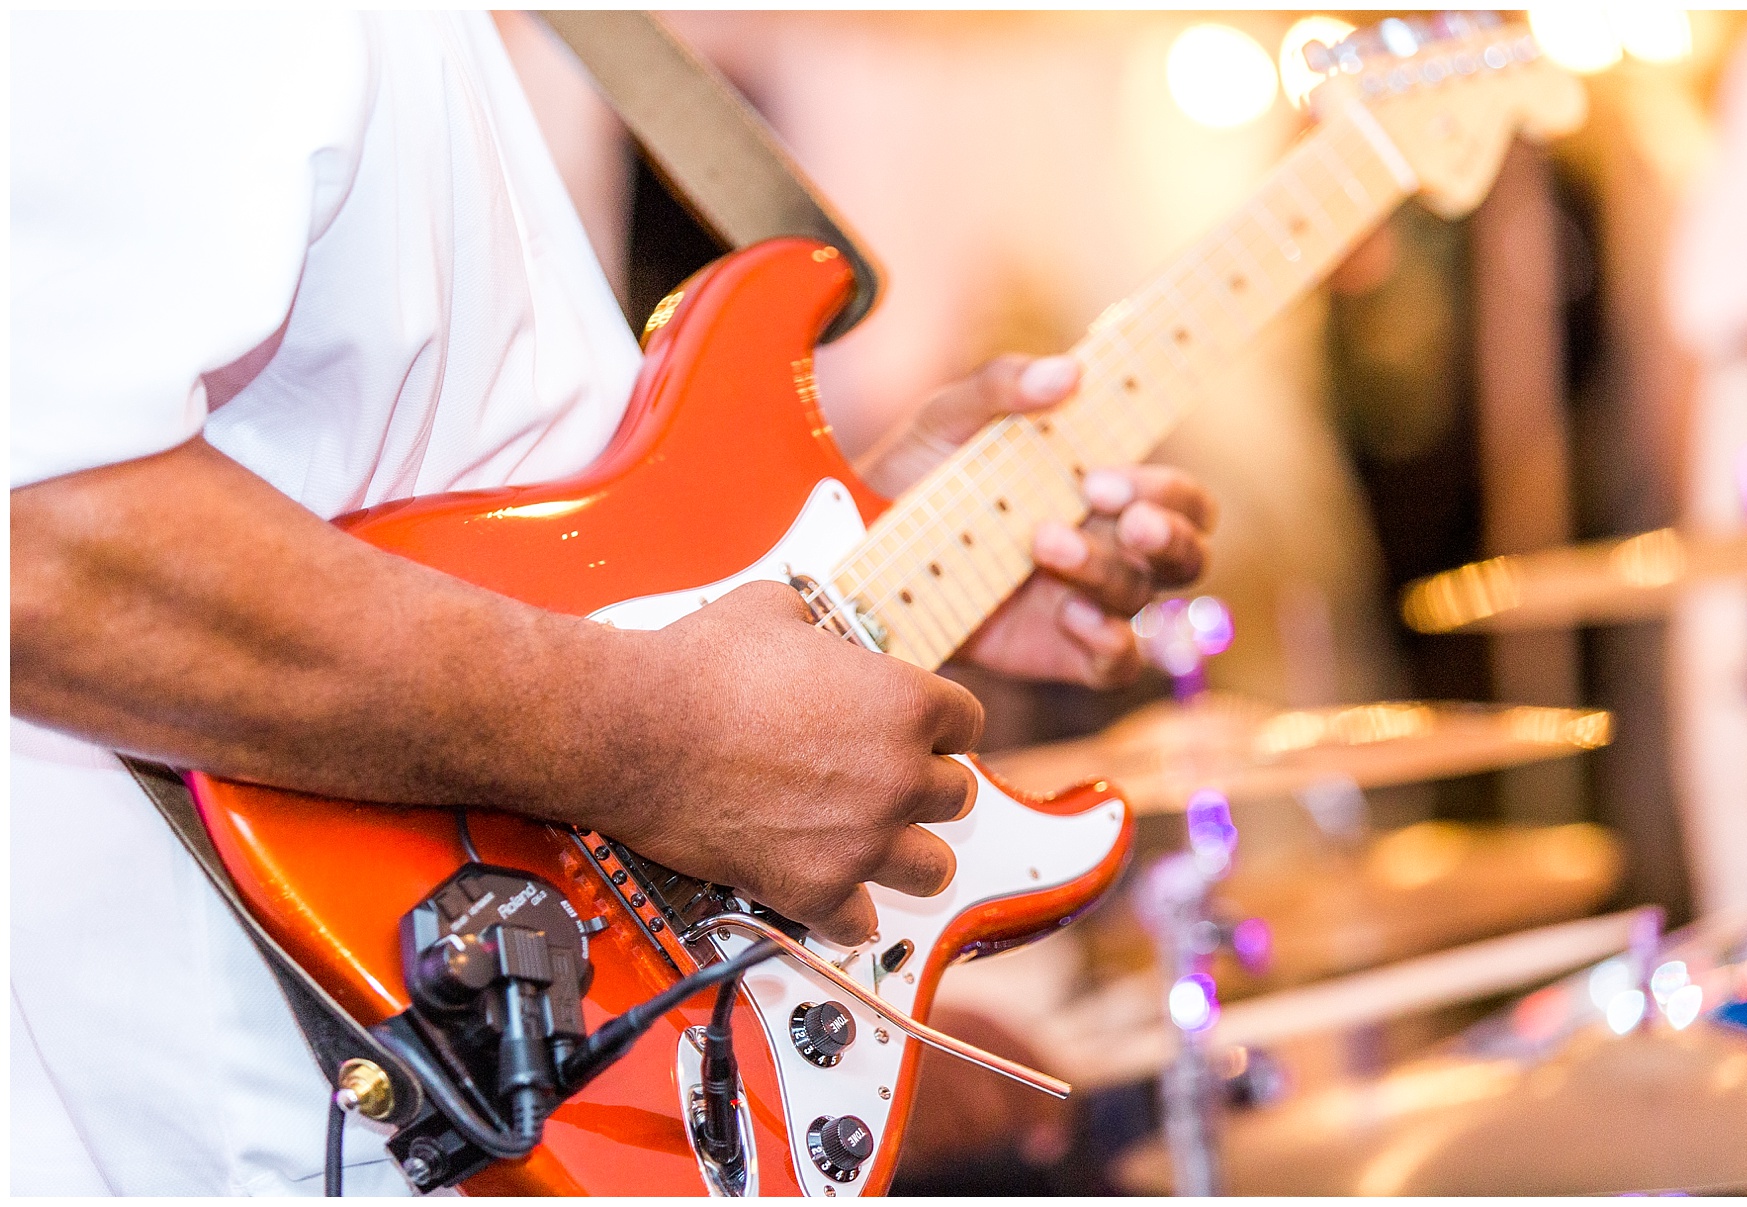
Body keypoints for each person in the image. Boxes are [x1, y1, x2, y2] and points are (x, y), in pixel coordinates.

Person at [10, 12, 1216, 1196]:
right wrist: (653, 739)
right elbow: (39, 546)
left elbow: (414, 494)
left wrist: (863, 554)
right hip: (254, 1109)